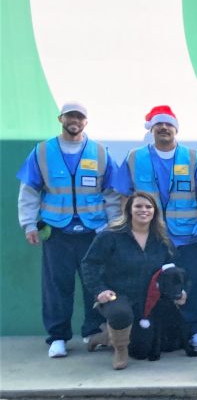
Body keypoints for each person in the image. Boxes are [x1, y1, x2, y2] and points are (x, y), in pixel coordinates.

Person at [16, 101, 120, 358]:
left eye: (80, 116)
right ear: (60, 118)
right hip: (57, 231)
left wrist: (113, 226)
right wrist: (28, 223)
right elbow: (29, 190)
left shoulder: (100, 152)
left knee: (93, 284)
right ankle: (58, 337)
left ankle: (92, 332)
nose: (75, 120)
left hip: (93, 231)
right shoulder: (42, 151)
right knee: (56, 286)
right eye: (70, 116)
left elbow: (111, 194)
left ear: (86, 121)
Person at [112, 105, 197, 347]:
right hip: (150, 237)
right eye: (159, 124)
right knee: (150, 285)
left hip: (187, 236)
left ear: (176, 129)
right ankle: (153, 330)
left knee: (192, 282)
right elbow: (124, 194)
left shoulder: (193, 158)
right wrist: (127, 227)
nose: (164, 128)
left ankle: (195, 328)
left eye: (169, 124)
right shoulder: (135, 158)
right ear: (151, 129)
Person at [81, 192, 180, 370]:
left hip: (147, 299)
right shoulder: (111, 235)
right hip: (116, 296)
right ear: (129, 210)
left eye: (148, 207)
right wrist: (100, 290)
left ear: (155, 212)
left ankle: (106, 337)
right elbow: (89, 263)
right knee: (120, 314)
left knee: (142, 351)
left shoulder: (161, 239)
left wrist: (178, 292)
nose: (144, 210)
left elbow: (170, 269)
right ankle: (120, 351)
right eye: (138, 206)